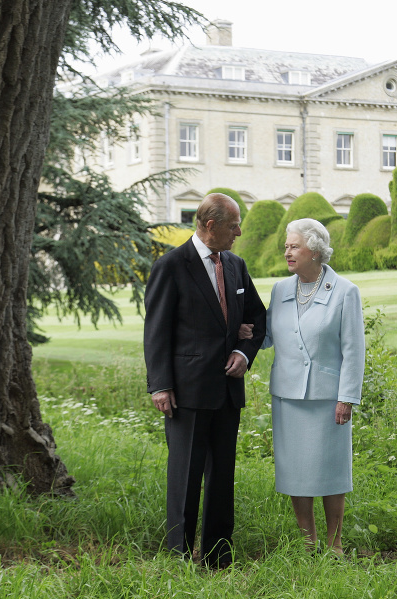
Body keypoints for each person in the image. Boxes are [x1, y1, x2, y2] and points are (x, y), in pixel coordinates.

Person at [143, 193, 267, 568]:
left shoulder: (235, 264)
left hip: (228, 392)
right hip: (186, 392)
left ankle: (217, 556)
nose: (239, 232)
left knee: (222, 477)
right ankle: (178, 557)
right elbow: (156, 331)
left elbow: (256, 320)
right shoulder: (171, 265)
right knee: (185, 477)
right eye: (233, 226)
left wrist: (243, 351)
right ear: (210, 226)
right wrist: (160, 385)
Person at [252, 218, 365, 555]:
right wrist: (245, 333)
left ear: (315, 251)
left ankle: (335, 543)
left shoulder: (345, 291)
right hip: (288, 397)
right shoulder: (281, 289)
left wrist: (347, 397)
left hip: (327, 398)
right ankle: (307, 542)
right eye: (287, 245)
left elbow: (353, 349)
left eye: (293, 246)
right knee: (295, 472)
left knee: (331, 471)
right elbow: (269, 337)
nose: (287, 251)